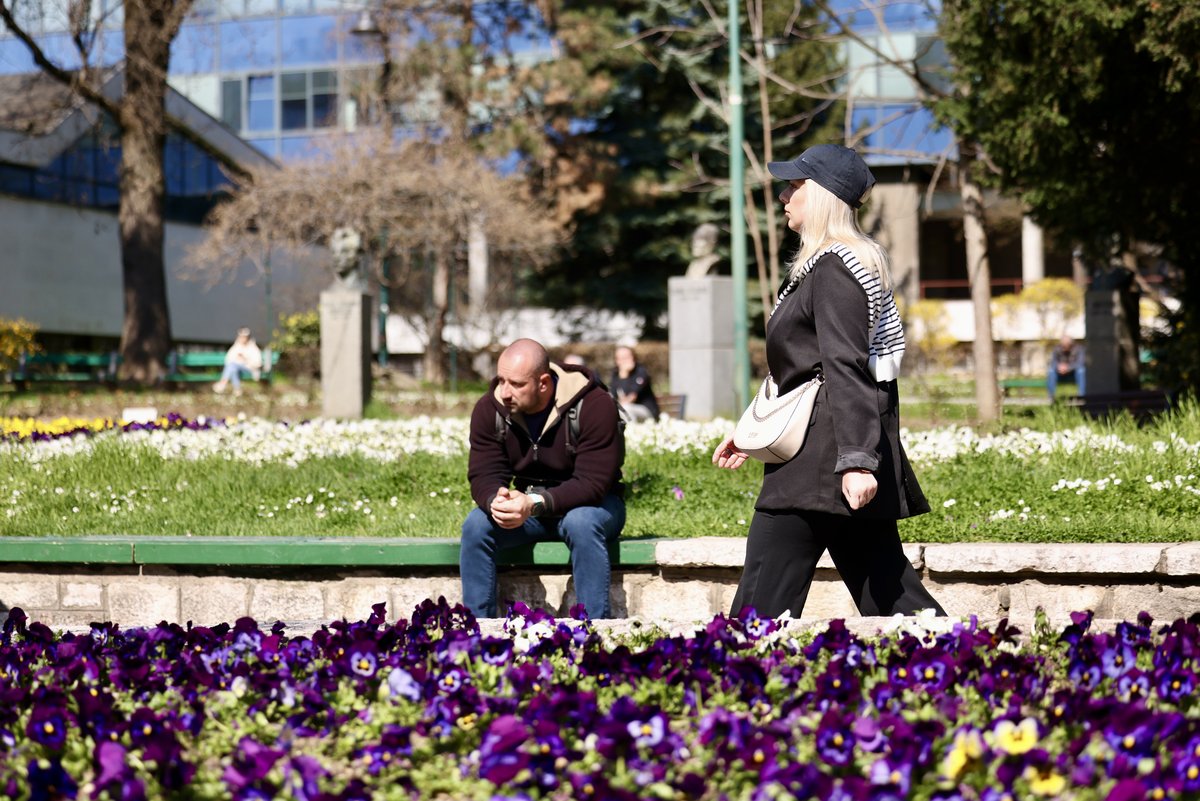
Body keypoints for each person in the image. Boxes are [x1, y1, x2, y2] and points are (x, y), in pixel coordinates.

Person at [711, 143, 944, 620]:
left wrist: (857, 461)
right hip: (826, 458)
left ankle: (737, 670)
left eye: (794, 186)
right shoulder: (831, 265)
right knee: (892, 596)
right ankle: (964, 656)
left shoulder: (836, 268)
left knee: (758, 608)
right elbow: (802, 366)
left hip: (819, 464)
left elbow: (846, 367)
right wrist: (753, 432)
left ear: (820, 195)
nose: (784, 197)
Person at [461, 338, 626, 619]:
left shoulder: (594, 404)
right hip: (529, 508)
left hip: (595, 504)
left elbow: (593, 483)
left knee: (581, 523)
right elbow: (484, 472)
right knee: (476, 525)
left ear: (544, 383)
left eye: (516, 384)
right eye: (501, 380)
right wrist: (496, 500)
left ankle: (593, 629)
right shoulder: (490, 408)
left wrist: (535, 503)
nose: (505, 392)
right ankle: (476, 629)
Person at [610, 345, 660, 422]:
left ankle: (631, 429)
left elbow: (631, 397)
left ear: (633, 357)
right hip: (625, 408)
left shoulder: (641, 372)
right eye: (621, 358)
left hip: (646, 411)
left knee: (626, 408)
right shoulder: (616, 374)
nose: (624, 361)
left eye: (627, 357)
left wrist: (624, 375)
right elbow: (612, 396)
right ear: (617, 360)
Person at [212, 327, 263, 395]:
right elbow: (228, 359)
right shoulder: (236, 346)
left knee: (232, 366)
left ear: (248, 337)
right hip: (237, 369)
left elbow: (258, 363)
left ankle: (223, 384)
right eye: (241, 336)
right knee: (233, 368)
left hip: (250, 370)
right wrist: (237, 360)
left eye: (244, 337)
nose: (242, 338)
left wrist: (245, 359)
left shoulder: (253, 347)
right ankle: (237, 390)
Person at [1046, 334, 1085, 401]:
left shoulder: (1079, 349)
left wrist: (1068, 367)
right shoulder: (1056, 348)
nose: (1064, 347)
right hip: (1060, 373)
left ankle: (1082, 396)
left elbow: (1080, 362)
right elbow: (1053, 362)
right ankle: (1051, 397)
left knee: (1081, 370)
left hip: (1073, 373)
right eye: (1063, 345)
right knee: (1051, 371)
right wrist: (1059, 366)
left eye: (1067, 345)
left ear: (1071, 344)